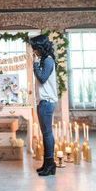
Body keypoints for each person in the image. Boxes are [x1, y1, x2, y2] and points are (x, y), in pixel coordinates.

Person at [30, 34, 58, 176]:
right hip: (44, 102)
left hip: (46, 103)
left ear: (40, 48)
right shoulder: (45, 60)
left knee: (47, 134)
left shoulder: (47, 61)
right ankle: (48, 164)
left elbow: (42, 78)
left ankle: (50, 164)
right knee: (46, 134)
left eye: (35, 48)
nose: (34, 51)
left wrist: (34, 64)